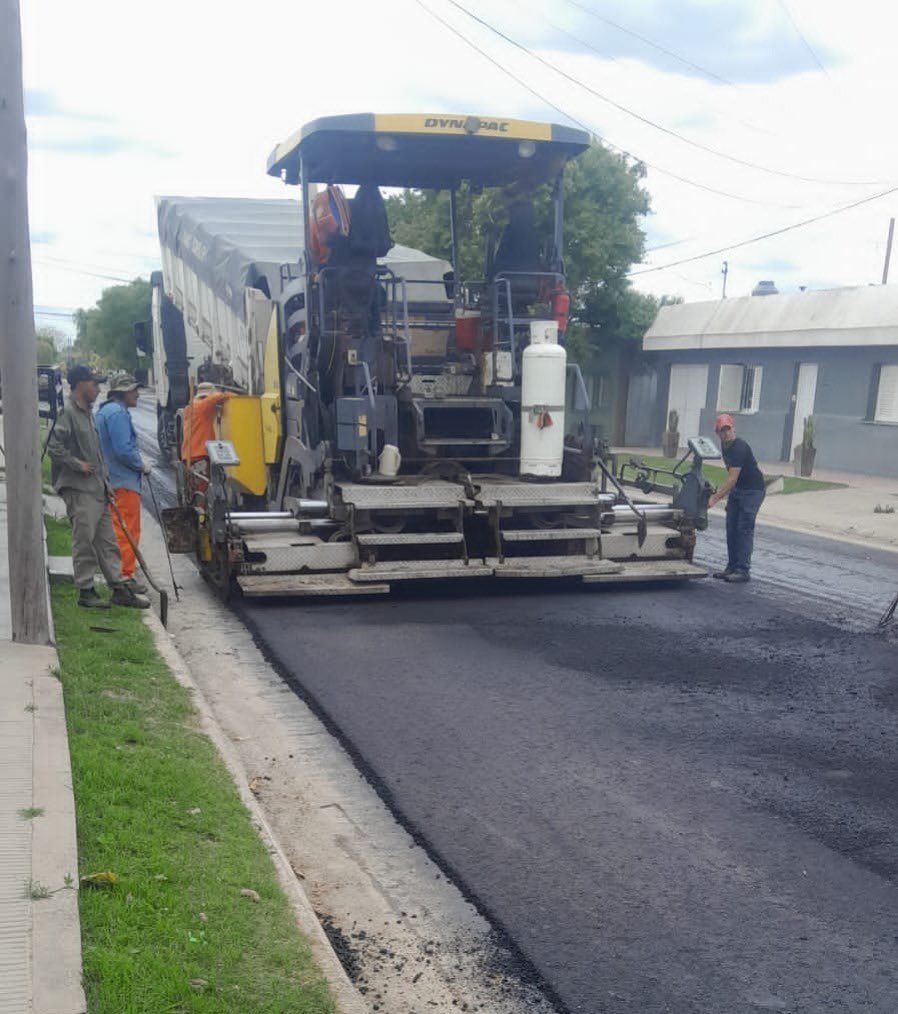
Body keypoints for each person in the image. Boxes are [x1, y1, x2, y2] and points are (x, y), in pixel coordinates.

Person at [47, 365, 149, 609]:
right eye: (94, 384)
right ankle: (86, 591)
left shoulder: (88, 413)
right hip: (79, 490)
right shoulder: (69, 413)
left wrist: (105, 484)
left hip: (98, 489)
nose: (98, 388)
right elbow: (53, 445)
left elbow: (97, 455)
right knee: (84, 541)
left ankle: (118, 587)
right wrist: (76, 464)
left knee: (108, 542)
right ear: (81, 384)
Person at [96, 371, 152, 594]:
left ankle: (118, 573)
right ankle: (124, 576)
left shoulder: (104, 412)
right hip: (123, 481)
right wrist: (141, 465)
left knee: (116, 528)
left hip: (111, 478)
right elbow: (123, 449)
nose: (137, 394)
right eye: (133, 390)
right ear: (122, 392)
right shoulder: (118, 414)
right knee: (127, 530)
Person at [708, 413, 765, 583]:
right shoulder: (724, 445)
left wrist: (715, 498)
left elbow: (732, 478)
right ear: (717, 433)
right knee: (731, 528)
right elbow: (733, 478)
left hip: (753, 491)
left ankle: (743, 570)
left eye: (728, 429)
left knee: (744, 529)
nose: (725, 433)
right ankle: (731, 567)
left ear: (733, 428)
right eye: (721, 431)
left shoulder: (740, 447)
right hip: (738, 489)